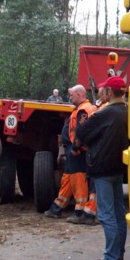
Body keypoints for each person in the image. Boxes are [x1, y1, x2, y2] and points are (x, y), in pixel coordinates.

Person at [75, 75, 129, 260]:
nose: (100, 92)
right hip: (117, 168)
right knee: (117, 214)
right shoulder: (126, 111)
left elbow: (81, 132)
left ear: (108, 93)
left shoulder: (104, 114)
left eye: (103, 90)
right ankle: (118, 256)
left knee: (106, 216)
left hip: (103, 169)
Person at [43, 85, 97, 223]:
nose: (69, 97)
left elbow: (81, 131)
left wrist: (75, 148)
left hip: (78, 150)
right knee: (67, 178)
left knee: (78, 180)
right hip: (75, 149)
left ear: (79, 95)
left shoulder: (84, 110)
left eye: (72, 95)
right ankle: (57, 208)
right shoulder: (82, 108)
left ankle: (80, 212)